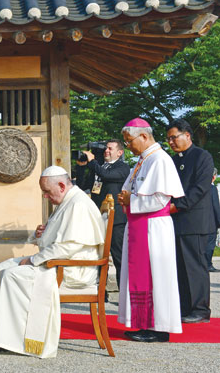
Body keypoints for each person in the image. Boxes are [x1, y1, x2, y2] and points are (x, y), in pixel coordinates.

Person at [0, 165, 105, 358]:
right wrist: (40, 235)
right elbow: (57, 239)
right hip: (60, 261)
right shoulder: (67, 201)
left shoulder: (78, 204)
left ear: (62, 185)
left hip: (72, 269)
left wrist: (33, 260)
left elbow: (68, 247)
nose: (45, 196)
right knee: (2, 267)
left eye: (47, 192)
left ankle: (11, 341)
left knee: (13, 275)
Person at [117, 118, 184, 343]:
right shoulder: (144, 160)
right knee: (142, 276)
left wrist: (131, 200)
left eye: (129, 141)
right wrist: (126, 198)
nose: (128, 146)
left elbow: (160, 198)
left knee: (156, 277)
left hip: (153, 228)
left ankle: (158, 327)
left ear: (144, 136)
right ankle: (143, 323)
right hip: (140, 226)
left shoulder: (160, 160)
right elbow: (130, 189)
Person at [167, 119, 215, 323]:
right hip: (174, 220)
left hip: (195, 220)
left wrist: (178, 205)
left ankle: (200, 309)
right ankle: (185, 307)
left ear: (187, 135)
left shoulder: (202, 156)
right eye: (168, 139)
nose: (171, 142)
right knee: (179, 267)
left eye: (174, 137)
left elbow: (200, 188)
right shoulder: (172, 160)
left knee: (195, 266)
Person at [78, 140, 130, 286]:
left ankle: (123, 293)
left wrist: (93, 161)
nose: (106, 151)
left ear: (119, 153)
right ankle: (101, 290)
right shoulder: (99, 167)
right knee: (99, 256)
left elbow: (107, 175)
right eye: (105, 148)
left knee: (118, 256)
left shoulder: (123, 167)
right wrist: (81, 167)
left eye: (110, 148)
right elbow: (83, 186)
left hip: (116, 220)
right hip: (98, 217)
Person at [207, 168, 220, 272]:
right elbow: (216, 206)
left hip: (199, 221)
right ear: (214, 176)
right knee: (210, 244)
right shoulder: (212, 189)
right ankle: (208, 264)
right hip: (211, 221)